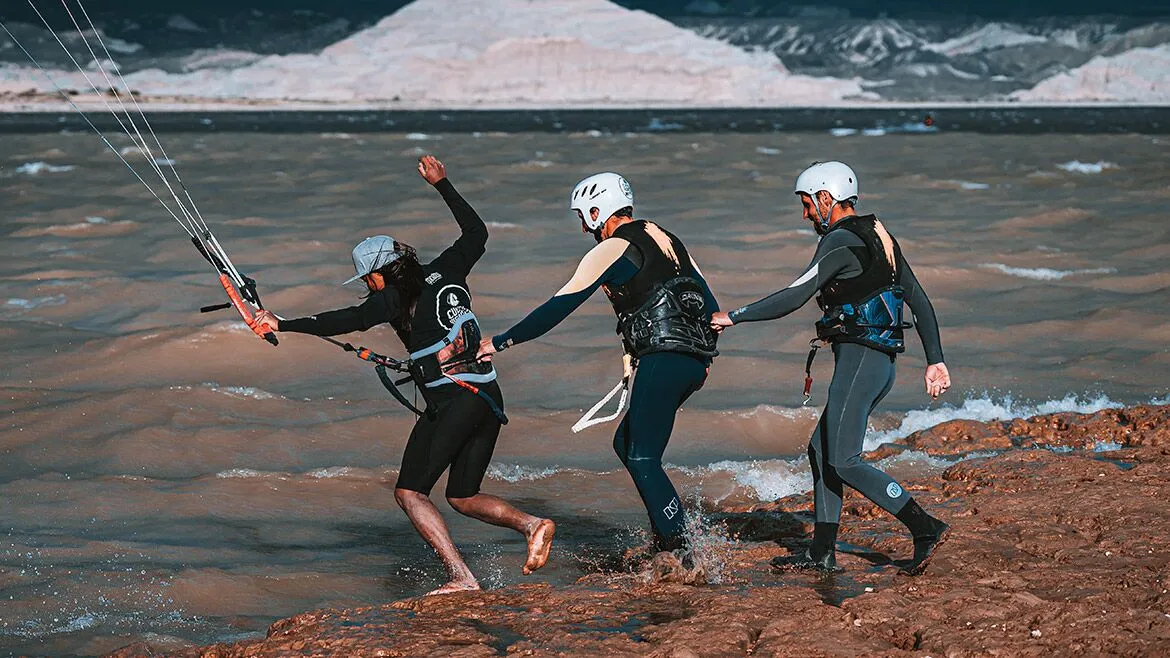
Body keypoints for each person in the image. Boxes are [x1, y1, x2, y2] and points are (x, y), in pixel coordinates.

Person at [253, 155, 555, 596]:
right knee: (462, 497)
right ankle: (532, 525)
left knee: (410, 492)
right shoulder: (449, 268)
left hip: (454, 401)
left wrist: (282, 323)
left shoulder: (393, 297)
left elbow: (346, 319)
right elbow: (478, 233)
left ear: (381, 273)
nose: (368, 286)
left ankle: (462, 578)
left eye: (368, 278)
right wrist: (443, 184)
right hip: (488, 397)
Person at [710, 161, 951, 576]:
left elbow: (794, 294)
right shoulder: (879, 235)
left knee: (844, 460)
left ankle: (924, 526)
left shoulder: (839, 241)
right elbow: (920, 301)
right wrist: (935, 359)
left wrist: (734, 316)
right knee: (820, 451)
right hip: (878, 366)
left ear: (826, 198)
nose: (805, 214)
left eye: (806, 204)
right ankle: (822, 551)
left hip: (860, 362)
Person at [477, 172, 720, 556]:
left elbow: (559, 305)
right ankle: (667, 538)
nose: (583, 226)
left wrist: (501, 341)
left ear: (596, 210)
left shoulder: (612, 249)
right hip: (691, 362)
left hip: (664, 358)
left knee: (642, 455)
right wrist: (704, 357)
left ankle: (682, 550)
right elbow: (708, 303)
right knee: (626, 444)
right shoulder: (668, 239)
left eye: (583, 216)